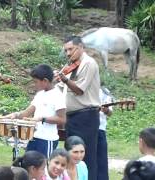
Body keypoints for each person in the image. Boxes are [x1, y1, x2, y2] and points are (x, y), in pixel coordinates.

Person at [58, 35, 100, 180]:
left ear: (81, 47)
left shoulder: (89, 63)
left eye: (71, 49)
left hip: (86, 116)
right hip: (72, 117)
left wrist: (64, 79)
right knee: (71, 157)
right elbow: (59, 88)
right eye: (66, 50)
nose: (68, 53)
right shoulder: (70, 67)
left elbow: (79, 90)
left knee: (85, 157)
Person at [2, 64, 66, 158]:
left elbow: (62, 119)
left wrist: (41, 119)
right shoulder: (40, 94)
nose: (34, 84)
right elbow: (27, 112)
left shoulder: (57, 95)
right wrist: (15, 115)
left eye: (35, 82)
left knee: (43, 168)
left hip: (47, 139)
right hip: (34, 137)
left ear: (45, 81)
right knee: (28, 166)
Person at [97, 86, 113, 180]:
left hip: (100, 129)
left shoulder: (104, 92)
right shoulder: (83, 88)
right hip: (84, 128)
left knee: (101, 160)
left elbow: (110, 112)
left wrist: (106, 110)